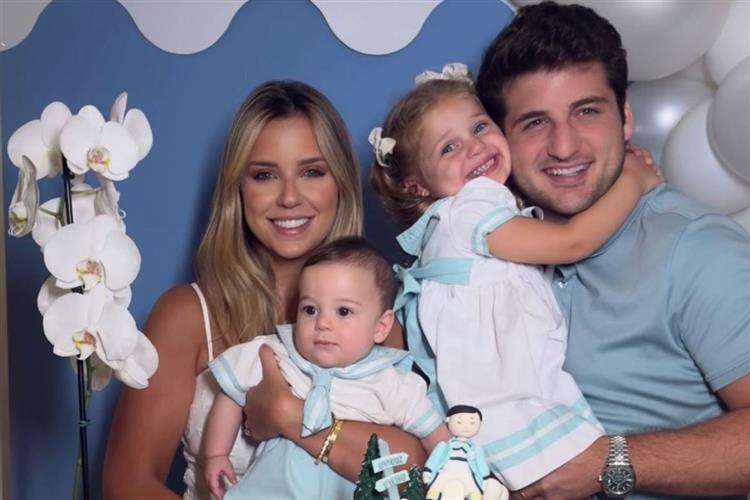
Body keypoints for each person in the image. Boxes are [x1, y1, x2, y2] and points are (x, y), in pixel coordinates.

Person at [475, 2, 750, 499]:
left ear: (624, 118)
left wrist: (611, 461)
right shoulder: (483, 249)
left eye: (586, 112)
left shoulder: (696, 249)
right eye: (535, 123)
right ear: (502, 140)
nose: (564, 147)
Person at [102, 81, 425, 500]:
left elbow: (410, 469)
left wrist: (285, 414)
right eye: (264, 175)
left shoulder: (377, 318)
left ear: (341, 183)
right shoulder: (186, 315)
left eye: (312, 171)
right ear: (238, 188)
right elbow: (127, 484)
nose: (289, 197)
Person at [368, 65, 660, 489]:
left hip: (485, 407)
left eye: (479, 127)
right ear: (418, 186)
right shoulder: (470, 208)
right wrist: (633, 179)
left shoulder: (464, 217)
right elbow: (572, 243)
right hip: (507, 403)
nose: (474, 147)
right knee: (586, 474)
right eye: (449, 148)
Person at [202, 237, 447, 499]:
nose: (323, 323)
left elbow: (436, 438)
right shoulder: (276, 354)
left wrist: (453, 477)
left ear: (381, 326)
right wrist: (216, 453)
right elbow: (232, 393)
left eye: (343, 311)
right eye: (310, 310)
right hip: (272, 490)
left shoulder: (393, 383)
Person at [423, 405, 509, 500]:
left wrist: (485, 478)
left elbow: (481, 464)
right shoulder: (443, 446)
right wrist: (428, 471)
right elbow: (434, 459)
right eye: (459, 422)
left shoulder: (476, 450)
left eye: (472, 422)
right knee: (435, 490)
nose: (466, 426)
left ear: (480, 423)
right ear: (448, 420)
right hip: (445, 473)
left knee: (473, 493)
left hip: (467, 475)